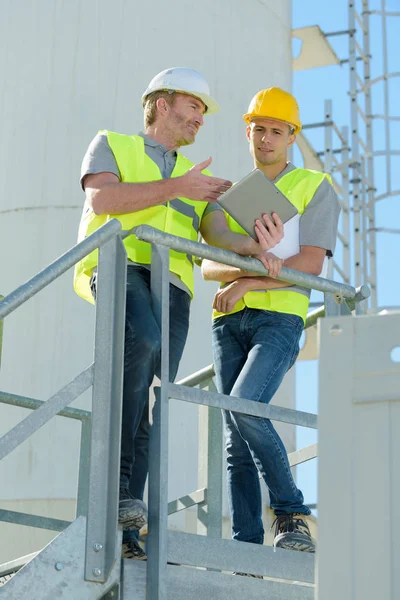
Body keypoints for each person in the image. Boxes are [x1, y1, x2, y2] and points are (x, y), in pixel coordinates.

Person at [73, 68, 283, 560]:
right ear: (163, 103)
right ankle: (121, 490)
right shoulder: (112, 144)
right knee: (142, 341)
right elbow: (101, 198)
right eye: (195, 108)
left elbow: (218, 236)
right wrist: (177, 187)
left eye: (204, 113)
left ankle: (127, 527)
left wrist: (256, 246)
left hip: (175, 287)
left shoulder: (197, 178)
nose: (200, 120)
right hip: (119, 263)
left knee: (153, 393)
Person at [202, 87, 340, 559]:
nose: (266, 139)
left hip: (279, 319)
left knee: (245, 406)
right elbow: (208, 265)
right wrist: (247, 271)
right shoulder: (230, 195)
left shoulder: (314, 187)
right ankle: (245, 553)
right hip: (227, 322)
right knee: (234, 440)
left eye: (276, 131)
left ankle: (290, 511)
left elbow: (308, 264)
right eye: (259, 129)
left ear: (292, 137)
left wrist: (247, 284)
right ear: (248, 131)